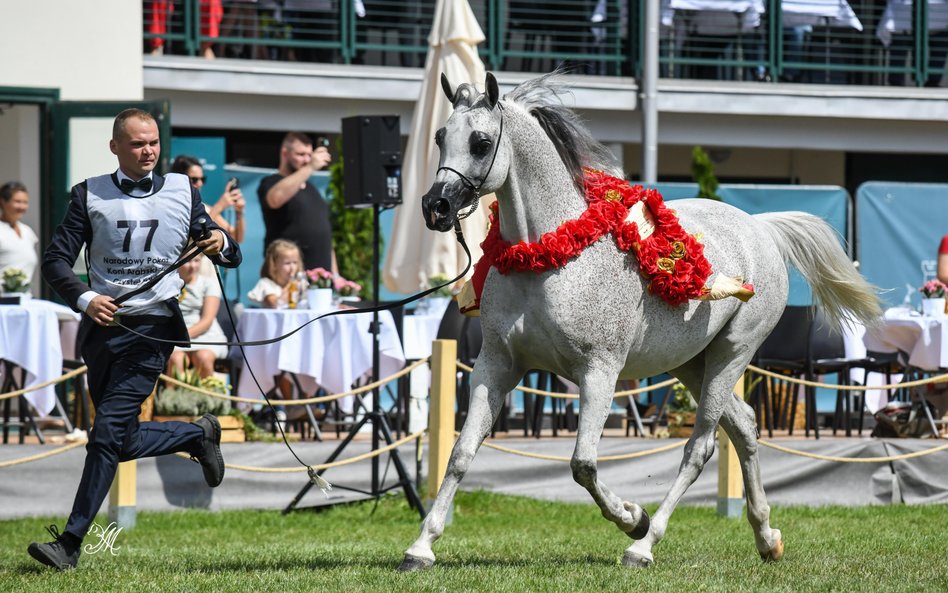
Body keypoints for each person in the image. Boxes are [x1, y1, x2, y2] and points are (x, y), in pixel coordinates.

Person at [32, 108, 242, 571]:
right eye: (136, 144)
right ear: (115, 148)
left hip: (153, 329)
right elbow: (54, 262)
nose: (148, 151)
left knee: (105, 433)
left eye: (153, 143)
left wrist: (219, 244)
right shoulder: (89, 195)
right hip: (102, 328)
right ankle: (198, 433)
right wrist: (86, 298)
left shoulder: (182, 191)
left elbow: (227, 248)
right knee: (118, 439)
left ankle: (69, 543)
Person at [258, 132, 337, 274]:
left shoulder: (312, 189)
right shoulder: (271, 182)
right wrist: (311, 167)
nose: (307, 160)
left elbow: (326, 238)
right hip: (288, 277)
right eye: (301, 154)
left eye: (309, 155)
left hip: (320, 280)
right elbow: (275, 199)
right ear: (284, 153)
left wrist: (336, 275)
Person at [167, 254, 229, 379]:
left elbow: (207, 320)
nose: (193, 266)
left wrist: (182, 336)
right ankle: (172, 398)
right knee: (177, 360)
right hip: (175, 338)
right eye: (188, 261)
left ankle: (207, 398)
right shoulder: (167, 284)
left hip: (205, 336)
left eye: (197, 261)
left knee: (203, 358)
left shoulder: (209, 284)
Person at [171, 154, 245, 243]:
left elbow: (235, 238)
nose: (200, 184)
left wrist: (239, 212)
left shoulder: (205, 208)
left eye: (202, 179)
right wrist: (219, 206)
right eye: (194, 179)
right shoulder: (172, 207)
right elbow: (193, 239)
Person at [247, 238, 306, 309]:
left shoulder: (301, 283)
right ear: (274, 264)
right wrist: (292, 285)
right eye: (287, 263)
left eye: (295, 262)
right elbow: (275, 304)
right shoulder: (266, 284)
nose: (292, 267)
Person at [0, 180, 39, 279]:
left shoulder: (27, 231)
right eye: (17, 202)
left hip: (25, 294)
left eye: (25, 202)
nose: (22, 207)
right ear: (3, 202)